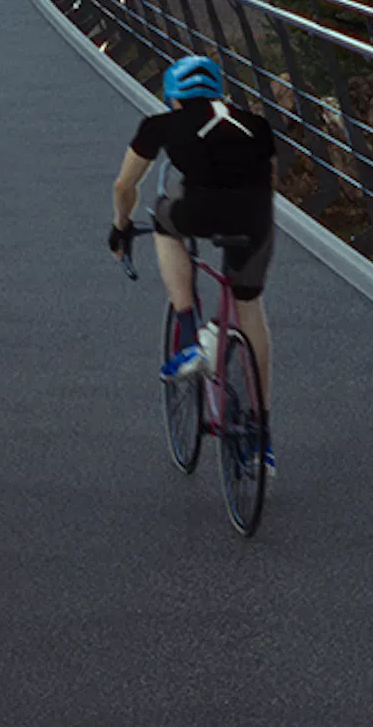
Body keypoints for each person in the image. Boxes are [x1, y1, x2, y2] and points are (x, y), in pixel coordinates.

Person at [108, 53, 277, 471]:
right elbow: (269, 178)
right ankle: (260, 433)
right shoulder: (256, 124)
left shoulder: (160, 125)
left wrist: (121, 226)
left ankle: (189, 337)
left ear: (174, 98)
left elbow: (124, 184)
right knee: (250, 308)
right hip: (256, 219)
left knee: (165, 220)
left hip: (200, 211)